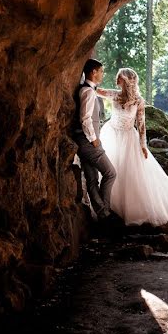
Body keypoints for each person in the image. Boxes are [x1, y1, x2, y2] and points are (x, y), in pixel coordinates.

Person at [96, 68, 168, 225]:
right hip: (111, 134)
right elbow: (96, 91)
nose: (116, 80)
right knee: (111, 168)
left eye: (118, 78)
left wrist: (143, 145)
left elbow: (141, 125)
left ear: (126, 81)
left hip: (128, 138)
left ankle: (130, 209)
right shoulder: (114, 94)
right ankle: (109, 205)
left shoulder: (138, 101)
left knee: (129, 172)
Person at [71, 58, 117, 220]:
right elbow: (85, 118)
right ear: (93, 72)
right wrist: (93, 139)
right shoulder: (88, 92)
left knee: (92, 179)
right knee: (110, 173)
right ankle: (105, 211)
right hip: (88, 142)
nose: (103, 74)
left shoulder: (88, 90)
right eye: (101, 71)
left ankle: (102, 214)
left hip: (83, 142)